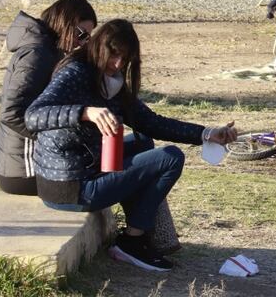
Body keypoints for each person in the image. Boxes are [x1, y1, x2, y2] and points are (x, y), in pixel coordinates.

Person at [25, 19, 238, 271]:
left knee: (143, 141)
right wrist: (84, 112)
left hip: (85, 167)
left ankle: (139, 230)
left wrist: (206, 133)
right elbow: (33, 115)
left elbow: (151, 122)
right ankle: (132, 241)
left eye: (124, 59)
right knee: (170, 157)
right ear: (99, 47)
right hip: (68, 187)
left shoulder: (111, 81)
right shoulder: (76, 73)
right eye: (113, 55)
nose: (117, 64)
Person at [0, 0, 98, 195]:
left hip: (32, 161)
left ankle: (146, 226)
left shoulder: (48, 49)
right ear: (64, 22)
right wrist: (58, 138)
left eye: (86, 38)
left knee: (131, 159)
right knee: (128, 173)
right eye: (80, 33)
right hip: (24, 170)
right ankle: (145, 227)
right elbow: (11, 113)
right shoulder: (37, 54)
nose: (81, 42)